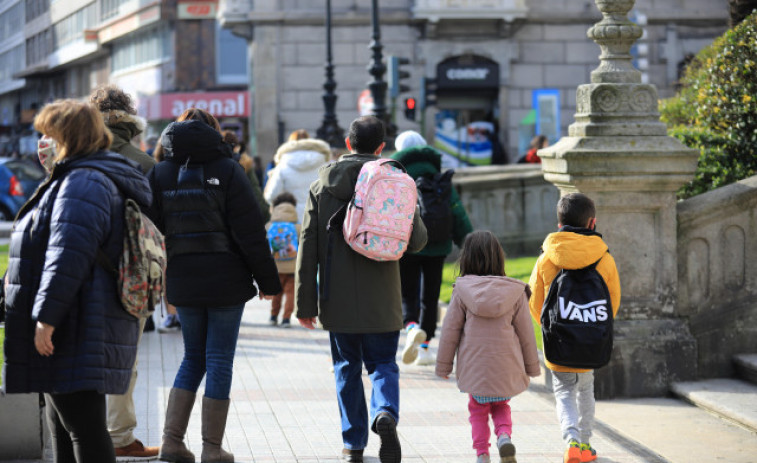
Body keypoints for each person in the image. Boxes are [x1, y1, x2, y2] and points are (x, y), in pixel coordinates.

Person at [3, 99, 150, 463]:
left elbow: (69, 255)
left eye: (47, 134)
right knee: (66, 426)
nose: (43, 143)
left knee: (83, 428)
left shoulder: (83, 182)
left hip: (75, 323)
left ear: (66, 136)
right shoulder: (76, 176)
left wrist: (47, 318)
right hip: (76, 319)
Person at [148, 108, 282, 463]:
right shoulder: (229, 170)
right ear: (214, 134)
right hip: (226, 279)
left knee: (192, 357)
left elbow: (153, 231)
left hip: (182, 278)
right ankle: (211, 448)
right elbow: (250, 233)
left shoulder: (159, 173)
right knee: (219, 358)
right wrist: (269, 282)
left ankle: (171, 442)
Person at [296, 116, 428, 463]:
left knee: (346, 368)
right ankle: (384, 411)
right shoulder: (396, 182)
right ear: (381, 147)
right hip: (384, 297)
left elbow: (308, 249)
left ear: (347, 142)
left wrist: (304, 304)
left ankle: (353, 445)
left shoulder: (322, 187)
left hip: (337, 299)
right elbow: (417, 242)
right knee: (383, 362)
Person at [89, 84, 159, 458]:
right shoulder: (145, 163)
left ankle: (84, 434)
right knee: (124, 358)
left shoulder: (72, 156)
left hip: (78, 270)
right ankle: (119, 437)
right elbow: (157, 229)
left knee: (79, 354)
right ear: (131, 120)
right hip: (130, 274)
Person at [528, 193, 621, 463]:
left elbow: (535, 299)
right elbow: (611, 301)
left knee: (564, 391)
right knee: (586, 389)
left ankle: (571, 442)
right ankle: (586, 444)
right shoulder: (604, 259)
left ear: (559, 225)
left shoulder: (548, 257)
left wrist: (550, 327)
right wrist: (592, 326)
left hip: (559, 340)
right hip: (591, 338)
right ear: (592, 223)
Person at [436, 230, 540, 463]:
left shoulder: (461, 292)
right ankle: (504, 436)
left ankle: (482, 454)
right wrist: (532, 367)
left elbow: (450, 332)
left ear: (466, 259)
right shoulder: (515, 292)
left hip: (476, 369)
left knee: (478, 410)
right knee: (502, 405)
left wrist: (443, 366)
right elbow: (526, 334)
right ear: (499, 257)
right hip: (506, 366)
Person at [390, 131, 473, 366]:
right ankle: (425, 349)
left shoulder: (397, 177)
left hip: (407, 245)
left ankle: (411, 327)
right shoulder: (439, 176)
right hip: (438, 245)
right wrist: (467, 242)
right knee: (431, 295)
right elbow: (456, 211)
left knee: (408, 292)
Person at [264, 129, 329, 222]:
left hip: (290, 220)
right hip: (318, 219)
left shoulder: (282, 165)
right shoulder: (326, 163)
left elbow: (271, 196)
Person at [266, 192, 300, 327]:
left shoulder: (269, 226)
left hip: (275, 266)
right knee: (291, 293)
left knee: (276, 292)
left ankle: (273, 316)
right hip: (292, 266)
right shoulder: (297, 227)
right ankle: (286, 319)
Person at [223, 130, 271, 223]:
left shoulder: (214, 164)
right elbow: (255, 191)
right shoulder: (245, 164)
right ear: (237, 146)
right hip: (243, 217)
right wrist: (266, 214)